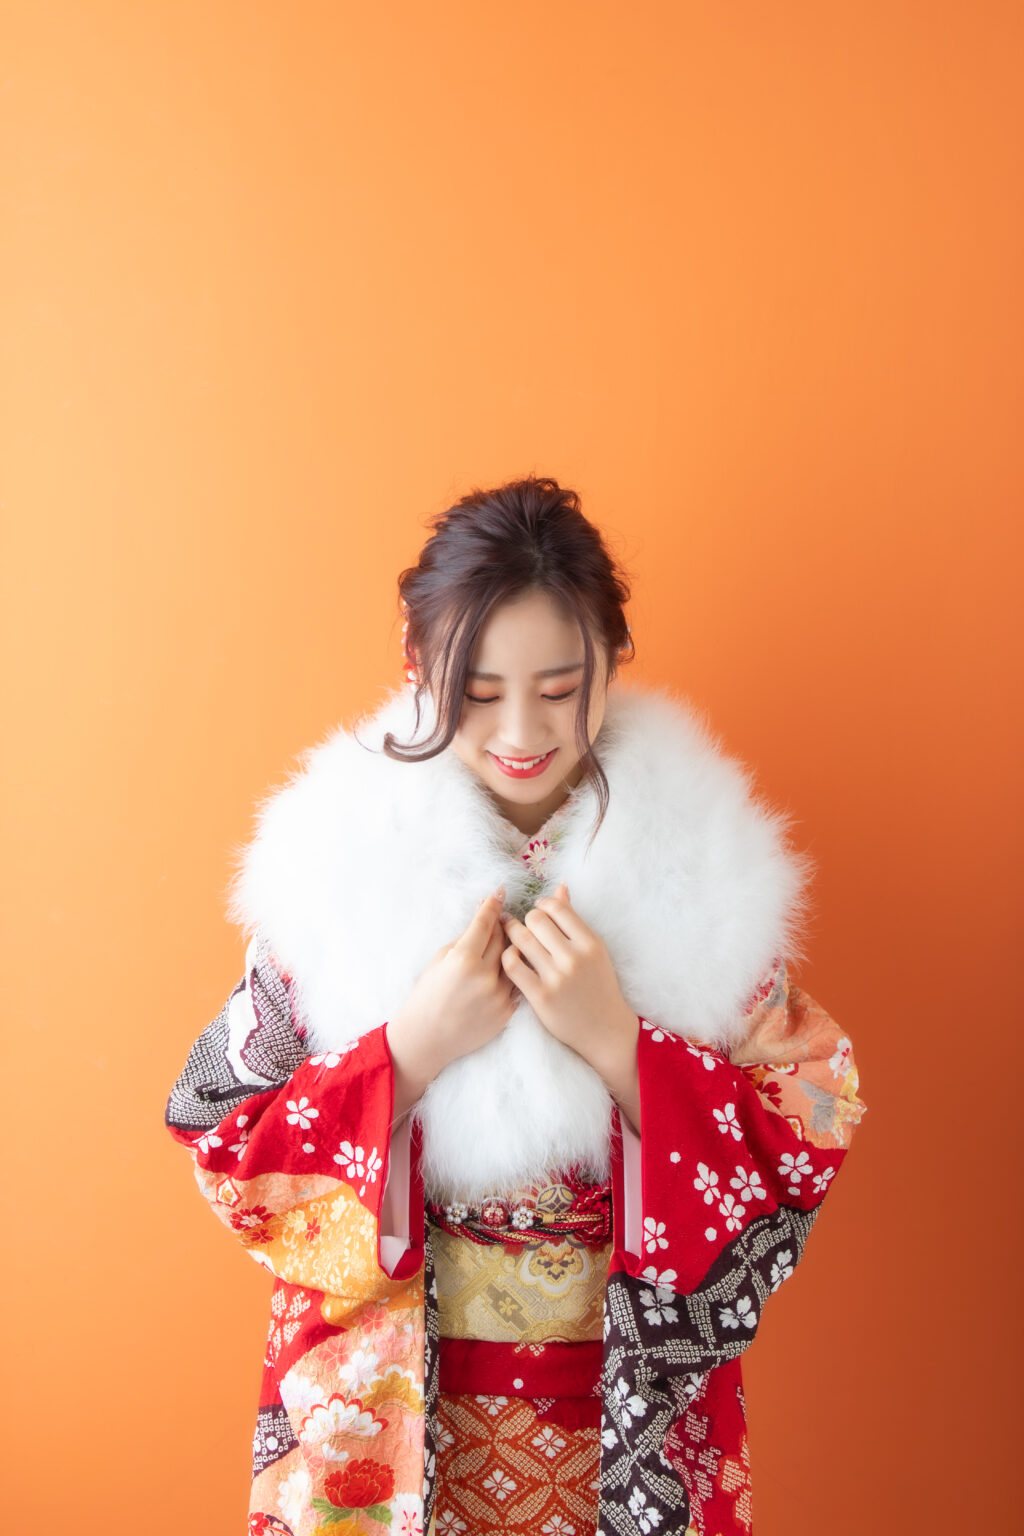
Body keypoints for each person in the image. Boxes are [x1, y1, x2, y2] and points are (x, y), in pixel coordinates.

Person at [166, 475, 867, 1536]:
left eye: (560, 685)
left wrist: (622, 1046)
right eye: (479, 690)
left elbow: (811, 1118)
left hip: (623, 1403)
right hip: (395, 1405)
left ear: (613, 661)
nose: (523, 729)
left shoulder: (703, 869)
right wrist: (408, 1051)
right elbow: (221, 1127)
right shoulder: (335, 868)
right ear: (418, 664)